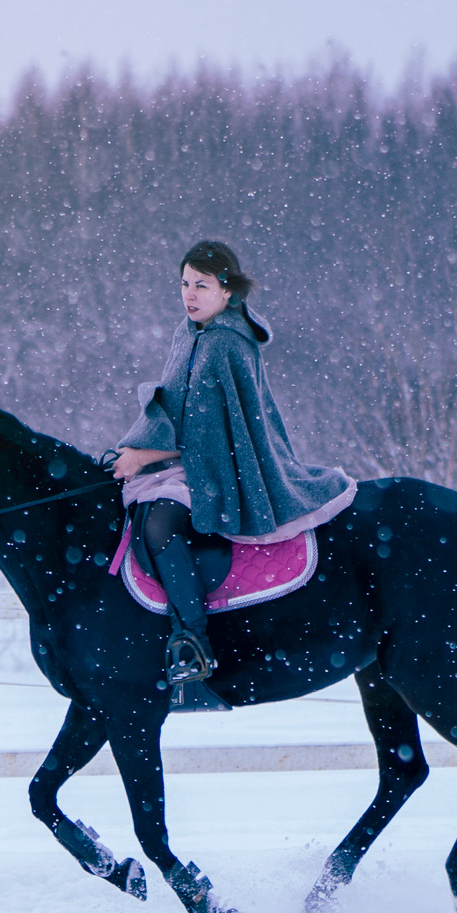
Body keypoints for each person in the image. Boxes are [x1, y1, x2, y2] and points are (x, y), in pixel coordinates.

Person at [111, 241, 355, 704]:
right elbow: (177, 404)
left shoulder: (225, 342)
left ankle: (194, 640)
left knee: (162, 524)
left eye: (201, 285)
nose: (190, 294)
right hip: (189, 461)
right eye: (185, 284)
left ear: (227, 290)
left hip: (222, 468)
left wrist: (144, 458)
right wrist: (137, 445)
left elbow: (207, 429)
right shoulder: (191, 332)